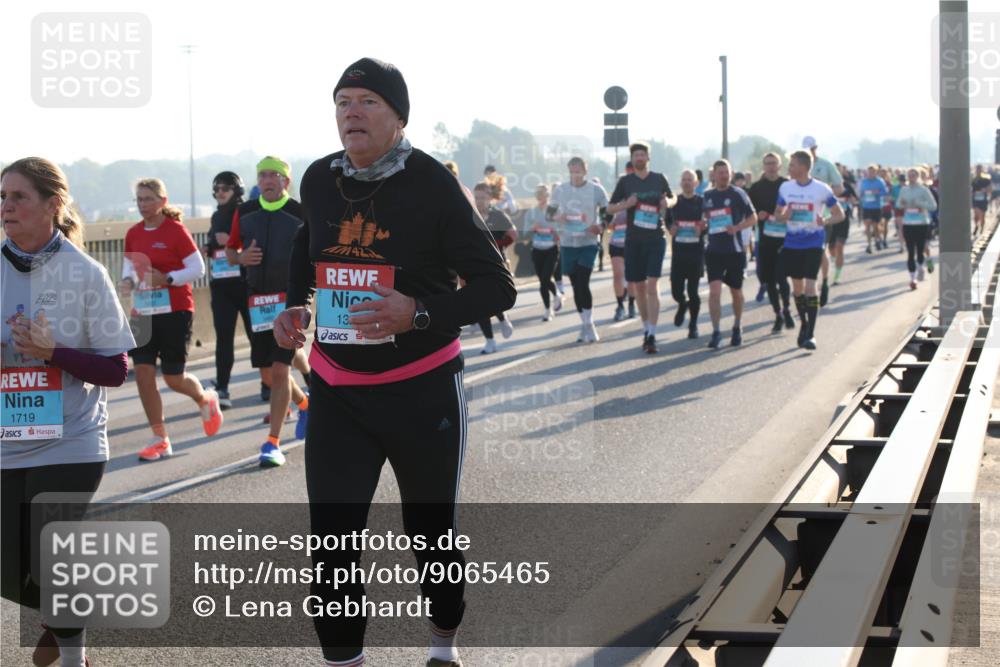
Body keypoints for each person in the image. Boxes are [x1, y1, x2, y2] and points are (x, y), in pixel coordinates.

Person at [273, 57, 516, 667]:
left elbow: (498, 287)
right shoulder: (319, 180)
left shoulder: (432, 183)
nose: (350, 112)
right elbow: (310, 248)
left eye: (366, 102)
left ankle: (442, 647)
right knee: (332, 545)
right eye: (342, 102)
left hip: (423, 389)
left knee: (431, 540)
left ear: (399, 117)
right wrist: (293, 306)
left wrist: (419, 313)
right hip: (339, 391)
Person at [2, 157, 135, 667]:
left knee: (50, 552)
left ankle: (75, 656)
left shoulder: (85, 272)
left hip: (72, 440)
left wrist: (53, 352)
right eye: (2, 197)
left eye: (18, 197)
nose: (6, 207)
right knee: (11, 571)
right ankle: (69, 606)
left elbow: (116, 369)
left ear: (52, 205)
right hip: (8, 439)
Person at [121, 178, 222, 461]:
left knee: (173, 378)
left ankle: (204, 398)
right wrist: (127, 282)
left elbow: (198, 267)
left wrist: (167, 278)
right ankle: (160, 437)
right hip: (143, 311)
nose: (143, 205)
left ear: (163, 202)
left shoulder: (175, 231)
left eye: (149, 199)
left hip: (175, 310)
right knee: (142, 373)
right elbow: (129, 267)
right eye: (139, 200)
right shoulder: (133, 234)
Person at [226, 156, 310, 467]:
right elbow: (231, 254)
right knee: (268, 371)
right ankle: (305, 403)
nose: (268, 180)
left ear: (286, 181)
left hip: (289, 301)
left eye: (275, 175)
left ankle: (272, 442)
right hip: (257, 302)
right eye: (263, 175)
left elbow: (314, 253)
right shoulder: (245, 212)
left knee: (279, 370)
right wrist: (242, 257)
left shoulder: (300, 213)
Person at [607, 142, 676, 354]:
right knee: (638, 287)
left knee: (653, 285)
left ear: (648, 157)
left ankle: (653, 333)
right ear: (632, 158)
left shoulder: (658, 178)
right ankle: (646, 328)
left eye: (642, 154)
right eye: (636, 155)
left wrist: (668, 203)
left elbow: (673, 198)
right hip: (633, 239)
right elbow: (610, 207)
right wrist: (626, 205)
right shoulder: (625, 182)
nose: (639, 158)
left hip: (655, 237)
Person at [774, 151, 844, 350]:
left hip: (813, 243)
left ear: (804, 167)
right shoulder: (786, 187)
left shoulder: (821, 189)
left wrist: (826, 220)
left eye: (792, 165)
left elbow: (840, 214)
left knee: (810, 287)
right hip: (792, 243)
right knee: (797, 288)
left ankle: (811, 334)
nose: (789, 168)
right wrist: (784, 215)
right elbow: (777, 214)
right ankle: (804, 324)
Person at [204, 171, 252, 409]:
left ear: (237, 191)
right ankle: (222, 387)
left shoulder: (246, 213)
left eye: (225, 188)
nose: (220, 193)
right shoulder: (215, 216)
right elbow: (215, 243)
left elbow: (255, 244)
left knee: (258, 336)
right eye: (216, 189)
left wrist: (232, 243)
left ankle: (269, 384)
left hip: (245, 284)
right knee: (224, 339)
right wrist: (210, 247)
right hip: (221, 286)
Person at [550, 157, 609, 343]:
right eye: (572, 172)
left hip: (589, 242)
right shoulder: (560, 190)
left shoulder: (596, 190)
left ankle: (590, 324)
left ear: (585, 171)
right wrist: (559, 217)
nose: (575, 175)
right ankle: (584, 324)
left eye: (578, 171)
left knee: (583, 282)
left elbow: (608, 211)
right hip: (568, 243)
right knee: (576, 286)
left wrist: (601, 226)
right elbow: (549, 214)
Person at [703, 159, 757, 348]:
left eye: (726, 172)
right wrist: (702, 225)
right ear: (714, 175)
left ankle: (737, 325)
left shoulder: (738, 194)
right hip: (714, 251)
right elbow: (704, 219)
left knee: (736, 292)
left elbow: (753, 218)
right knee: (714, 292)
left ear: (731, 174)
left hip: (734, 250)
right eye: (720, 172)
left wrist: (737, 227)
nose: (724, 176)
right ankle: (716, 331)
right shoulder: (707, 195)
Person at [748, 152, 794, 333]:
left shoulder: (788, 185)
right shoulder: (756, 188)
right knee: (769, 280)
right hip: (765, 240)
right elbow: (750, 211)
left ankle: (787, 309)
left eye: (774, 163)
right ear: (763, 166)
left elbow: (795, 206)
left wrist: (786, 215)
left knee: (782, 277)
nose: (771, 166)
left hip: (785, 239)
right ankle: (778, 314)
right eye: (767, 163)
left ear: (780, 166)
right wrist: (758, 214)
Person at [471, 182, 517, 353]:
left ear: (490, 198)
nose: (479, 201)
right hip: (475, 264)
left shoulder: (498, 216)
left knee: (493, 298)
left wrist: (496, 245)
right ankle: (490, 341)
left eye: (483, 198)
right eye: (477, 197)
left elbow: (513, 234)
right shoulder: (471, 215)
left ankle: (503, 317)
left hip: (497, 263)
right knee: (479, 303)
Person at [801, 136, 843, 307]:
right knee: (803, 253)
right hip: (802, 218)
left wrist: (825, 196)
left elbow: (839, 187)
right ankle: (807, 288)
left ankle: (824, 282)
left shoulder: (826, 165)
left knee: (820, 251)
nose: (807, 153)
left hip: (823, 217)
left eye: (809, 149)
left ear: (815, 148)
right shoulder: (798, 165)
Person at [667, 169, 706, 339]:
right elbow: (667, 221)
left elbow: (710, 222)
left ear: (696, 183)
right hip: (679, 253)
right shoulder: (675, 202)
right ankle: (682, 305)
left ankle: (693, 325)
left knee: (693, 291)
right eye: (684, 179)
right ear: (680, 183)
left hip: (695, 253)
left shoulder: (702, 202)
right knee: (676, 291)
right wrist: (670, 228)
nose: (687, 182)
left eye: (690, 179)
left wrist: (703, 229)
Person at [524, 184, 562, 320]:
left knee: (545, 278)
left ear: (548, 196)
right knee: (543, 281)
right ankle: (554, 298)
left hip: (552, 249)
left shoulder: (554, 211)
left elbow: (562, 226)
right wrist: (532, 227)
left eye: (544, 195)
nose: (542, 198)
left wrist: (557, 231)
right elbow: (524, 231)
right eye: (539, 195)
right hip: (537, 249)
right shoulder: (532, 212)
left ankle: (547, 311)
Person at [896, 167, 938, 289]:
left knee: (922, 249)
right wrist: (902, 204)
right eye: (909, 175)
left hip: (922, 223)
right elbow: (898, 204)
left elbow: (933, 206)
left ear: (918, 176)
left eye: (914, 175)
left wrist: (921, 205)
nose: (911, 177)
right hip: (908, 223)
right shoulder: (904, 190)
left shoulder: (924, 190)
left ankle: (924, 264)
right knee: (910, 251)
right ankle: (913, 279)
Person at [607, 163, 636, 321]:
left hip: (632, 243)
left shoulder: (635, 201)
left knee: (631, 276)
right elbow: (607, 219)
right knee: (618, 275)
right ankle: (620, 305)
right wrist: (608, 224)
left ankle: (631, 303)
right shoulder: (615, 202)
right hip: (616, 242)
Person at [828, 176, 857, 286]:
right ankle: (834, 260)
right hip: (831, 221)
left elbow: (855, 199)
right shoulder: (827, 187)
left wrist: (851, 201)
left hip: (844, 220)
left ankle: (837, 276)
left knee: (840, 247)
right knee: (831, 248)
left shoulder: (847, 186)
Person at [859, 165, 889, 254]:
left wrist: (877, 192)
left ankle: (877, 240)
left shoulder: (880, 181)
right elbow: (861, 193)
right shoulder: (864, 182)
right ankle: (869, 245)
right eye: (869, 172)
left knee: (876, 226)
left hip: (877, 206)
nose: (871, 174)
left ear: (876, 172)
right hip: (866, 206)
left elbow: (885, 192)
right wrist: (861, 197)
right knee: (867, 225)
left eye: (873, 172)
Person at [972, 164, 992, 237]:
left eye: (979, 169)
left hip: (983, 200)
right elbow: (971, 189)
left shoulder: (986, 179)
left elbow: (990, 189)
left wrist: (985, 190)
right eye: (977, 169)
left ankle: (982, 227)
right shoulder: (973, 179)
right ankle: (976, 226)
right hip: (975, 200)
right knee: (976, 215)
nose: (978, 171)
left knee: (982, 215)